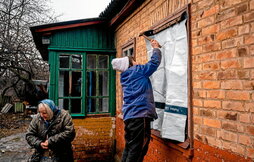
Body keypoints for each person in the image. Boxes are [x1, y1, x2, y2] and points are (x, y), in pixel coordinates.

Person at [111, 39, 161, 162]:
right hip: (140, 116)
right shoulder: (137, 71)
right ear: (130, 64)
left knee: (130, 146)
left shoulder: (125, 76)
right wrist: (156, 48)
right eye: (134, 61)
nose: (137, 62)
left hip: (130, 117)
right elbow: (154, 63)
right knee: (139, 149)